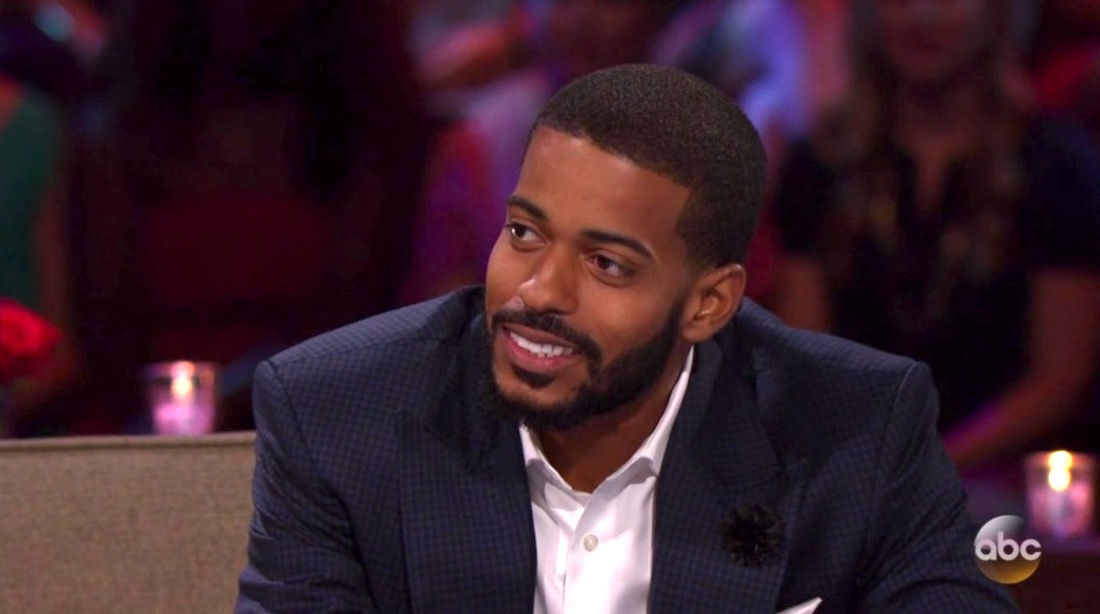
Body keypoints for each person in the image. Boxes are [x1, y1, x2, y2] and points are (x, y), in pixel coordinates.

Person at [237, 65, 1015, 612]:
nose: (539, 291)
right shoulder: (337, 414)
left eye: (606, 264)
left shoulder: (854, 424)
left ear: (709, 304)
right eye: (524, 233)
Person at [772, 0, 1100, 469]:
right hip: (852, 473)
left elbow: (1058, 380)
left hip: (1005, 485)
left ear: (998, 14)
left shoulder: (1057, 167)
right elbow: (808, 359)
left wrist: (928, 469)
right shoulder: (818, 166)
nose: (922, 16)